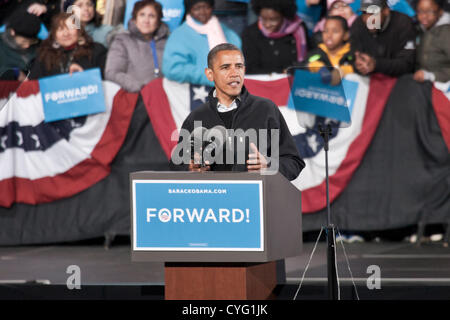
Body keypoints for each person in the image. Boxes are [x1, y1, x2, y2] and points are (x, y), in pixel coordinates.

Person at [170, 43, 305, 181]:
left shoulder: (266, 109)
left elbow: (293, 162)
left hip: (256, 199)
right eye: (225, 67)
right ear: (210, 74)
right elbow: (178, 164)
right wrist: (190, 168)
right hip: (214, 200)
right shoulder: (197, 117)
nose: (234, 73)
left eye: (239, 66)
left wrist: (268, 166)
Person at [162, 0, 241, 86]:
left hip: (228, 91)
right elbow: (172, 69)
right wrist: (209, 76)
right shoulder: (178, 35)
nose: (202, 12)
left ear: (212, 8)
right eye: (197, 8)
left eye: (206, 7)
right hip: (192, 94)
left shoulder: (226, 32)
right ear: (189, 10)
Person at [105, 0, 169, 92]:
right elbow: (112, 72)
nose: (146, 20)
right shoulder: (122, 41)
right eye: (142, 15)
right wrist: (140, 88)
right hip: (136, 97)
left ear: (158, 21)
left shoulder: (167, 42)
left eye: (152, 16)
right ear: (135, 19)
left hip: (166, 96)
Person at [29, 12, 107, 79]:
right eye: (60, 29)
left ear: (79, 31)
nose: (66, 34)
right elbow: (33, 84)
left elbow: (106, 81)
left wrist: (84, 76)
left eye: (71, 28)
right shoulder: (44, 55)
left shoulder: (96, 50)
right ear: (54, 35)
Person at [241, 0, 311, 75]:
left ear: (284, 16)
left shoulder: (299, 29)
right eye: (263, 19)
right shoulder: (250, 34)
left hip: (296, 81)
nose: (267, 24)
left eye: (273, 20)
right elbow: (251, 69)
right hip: (265, 83)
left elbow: (309, 58)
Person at [350, 0, 416, 77]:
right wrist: (358, 65)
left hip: (399, 80)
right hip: (368, 80)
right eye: (365, 13)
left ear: (386, 11)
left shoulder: (403, 23)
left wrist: (376, 64)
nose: (368, 19)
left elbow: (407, 65)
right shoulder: (358, 25)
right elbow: (352, 56)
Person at [413, 0, 450, 83]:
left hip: (443, 87)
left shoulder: (447, 33)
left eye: (429, 11)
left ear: (440, 12)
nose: (424, 16)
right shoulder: (420, 30)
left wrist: (431, 76)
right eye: (420, 11)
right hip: (423, 85)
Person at [0, 9, 41, 80]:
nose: (27, 46)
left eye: (32, 41)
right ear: (12, 32)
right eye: (24, 41)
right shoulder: (2, 46)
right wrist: (15, 72)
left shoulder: (39, 45)